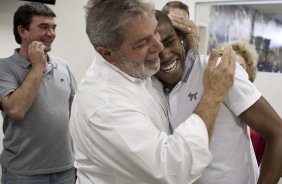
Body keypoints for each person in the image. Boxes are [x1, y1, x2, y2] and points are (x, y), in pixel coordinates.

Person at [69, 0, 236, 183]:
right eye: (142, 42)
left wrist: (190, 51)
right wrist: (213, 95)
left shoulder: (137, 66)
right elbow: (174, 168)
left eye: (155, 31)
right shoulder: (103, 105)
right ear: (107, 54)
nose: (159, 46)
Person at [154, 10, 282, 184]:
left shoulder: (219, 70)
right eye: (155, 50)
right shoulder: (153, 84)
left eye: (170, 42)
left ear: (181, 38)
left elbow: (278, 133)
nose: (165, 55)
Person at [0, 2, 77, 184]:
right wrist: (37, 66)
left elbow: (73, 113)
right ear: (22, 31)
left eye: (53, 27)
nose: (51, 33)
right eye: (43, 27)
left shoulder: (63, 66)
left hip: (65, 169)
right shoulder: (4, 68)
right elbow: (16, 110)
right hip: (23, 173)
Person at [227, 42, 266, 166]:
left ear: (249, 73)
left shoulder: (260, 131)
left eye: (240, 67)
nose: (234, 72)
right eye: (230, 65)